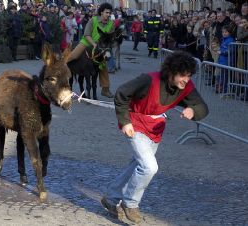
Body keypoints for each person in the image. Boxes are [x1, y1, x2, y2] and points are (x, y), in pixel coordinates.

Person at [101, 51, 209, 224]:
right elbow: (121, 93)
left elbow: (203, 106)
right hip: (135, 124)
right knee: (149, 167)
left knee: (137, 165)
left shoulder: (186, 87)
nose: (186, 80)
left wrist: (193, 110)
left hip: (154, 128)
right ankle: (130, 203)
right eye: (182, 75)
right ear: (171, 72)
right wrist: (124, 121)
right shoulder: (149, 80)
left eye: (189, 76)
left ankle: (112, 197)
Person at [66, 3, 115, 98]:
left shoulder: (111, 24)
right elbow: (86, 34)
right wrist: (94, 44)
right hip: (87, 43)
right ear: (101, 12)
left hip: (101, 47)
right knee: (73, 56)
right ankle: (59, 69)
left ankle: (105, 90)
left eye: (110, 13)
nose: (109, 14)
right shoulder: (93, 20)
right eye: (107, 12)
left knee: (103, 66)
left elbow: (109, 38)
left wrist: (107, 47)